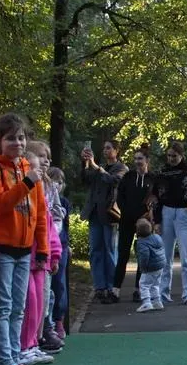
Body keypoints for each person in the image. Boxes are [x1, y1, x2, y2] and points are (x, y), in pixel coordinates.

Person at [0, 113, 49, 365]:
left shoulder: (28, 167)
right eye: (11, 138)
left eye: (21, 137)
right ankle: (3, 362)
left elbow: (40, 212)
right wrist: (28, 182)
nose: (17, 143)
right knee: (3, 305)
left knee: (19, 305)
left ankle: (15, 357)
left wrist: (41, 248)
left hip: (24, 248)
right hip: (2, 248)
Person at [19, 151, 62, 365]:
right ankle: (23, 346)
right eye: (30, 167)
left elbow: (49, 229)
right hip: (27, 259)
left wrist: (54, 253)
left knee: (40, 303)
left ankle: (33, 343)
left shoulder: (42, 195)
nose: (36, 170)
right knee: (28, 302)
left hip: (41, 260)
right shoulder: (22, 197)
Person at [150, 141, 187, 306]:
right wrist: (157, 220)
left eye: (174, 156)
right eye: (169, 155)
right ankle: (163, 292)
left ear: (181, 155)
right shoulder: (162, 172)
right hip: (166, 212)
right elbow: (155, 198)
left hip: (184, 213)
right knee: (165, 256)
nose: (171, 158)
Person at [81, 139, 128, 303]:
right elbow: (85, 180)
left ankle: (111, 286)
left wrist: (95, 166)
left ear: (116, 150)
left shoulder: (121, 168)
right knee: (95, 251)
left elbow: (114, 181)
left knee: (109, 250)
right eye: (104, 148)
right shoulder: (98, 167)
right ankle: (99, 286)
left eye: (109, 148)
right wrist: (86, 163)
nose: (105, 151)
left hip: (110, 215)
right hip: (94, 213)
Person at [115, 144, 155, 303]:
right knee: (122, 254)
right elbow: (120, 197)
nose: (137, 161)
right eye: (135, 158)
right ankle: (115, 289)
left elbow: (155, 199)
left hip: (144, 222)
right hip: (126, 220)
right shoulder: (128, 177)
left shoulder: (153, 179)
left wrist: (147, 216)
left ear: (147, 160)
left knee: (143, 257)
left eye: (140, 158)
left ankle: (139, 289)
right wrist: (126, 212)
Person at [48, 167, 72, 339]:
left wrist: (68, 244)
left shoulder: (64, 203)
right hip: (45, 246)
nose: (57, 185)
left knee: (59, 283)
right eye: (54, 181)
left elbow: (66, 226)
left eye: (61, 182)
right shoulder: (43, 199)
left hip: (61, 246)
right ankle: (47, 321)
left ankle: (59, 319)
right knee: (46, 286)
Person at [134, 218, 165, 313]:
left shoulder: (142, 242)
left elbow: (144, 257)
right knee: (155, 284)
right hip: (160, 266)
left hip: (150, 267)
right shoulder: (157, 237)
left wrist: (143, 268)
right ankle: (157, 301)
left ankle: (146, 303)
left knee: (144, 284)